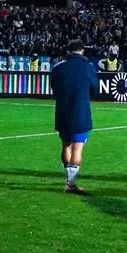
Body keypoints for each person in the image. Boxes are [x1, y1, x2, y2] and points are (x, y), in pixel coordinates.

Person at [50, 39, 98, 194]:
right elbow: (95, 89)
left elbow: (55, 89)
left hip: (63, 112)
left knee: (66, 146)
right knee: (78, 148)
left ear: (68, 52)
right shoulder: (88, 67)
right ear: (82, 50)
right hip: (80, 112)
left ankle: (68, 181)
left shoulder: (58, 68)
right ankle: (70, 183)